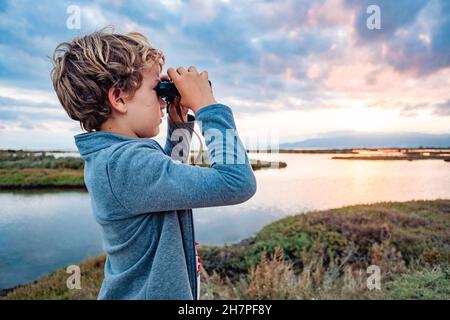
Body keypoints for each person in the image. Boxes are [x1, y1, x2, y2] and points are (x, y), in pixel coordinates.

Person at [50, 29, 257, 300]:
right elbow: (237, 183)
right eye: (155, 89)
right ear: (119, 98)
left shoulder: (115, 157)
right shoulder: (125, 163)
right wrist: (208, 107)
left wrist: (180, 126)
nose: (163, 100)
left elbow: (166, 188)